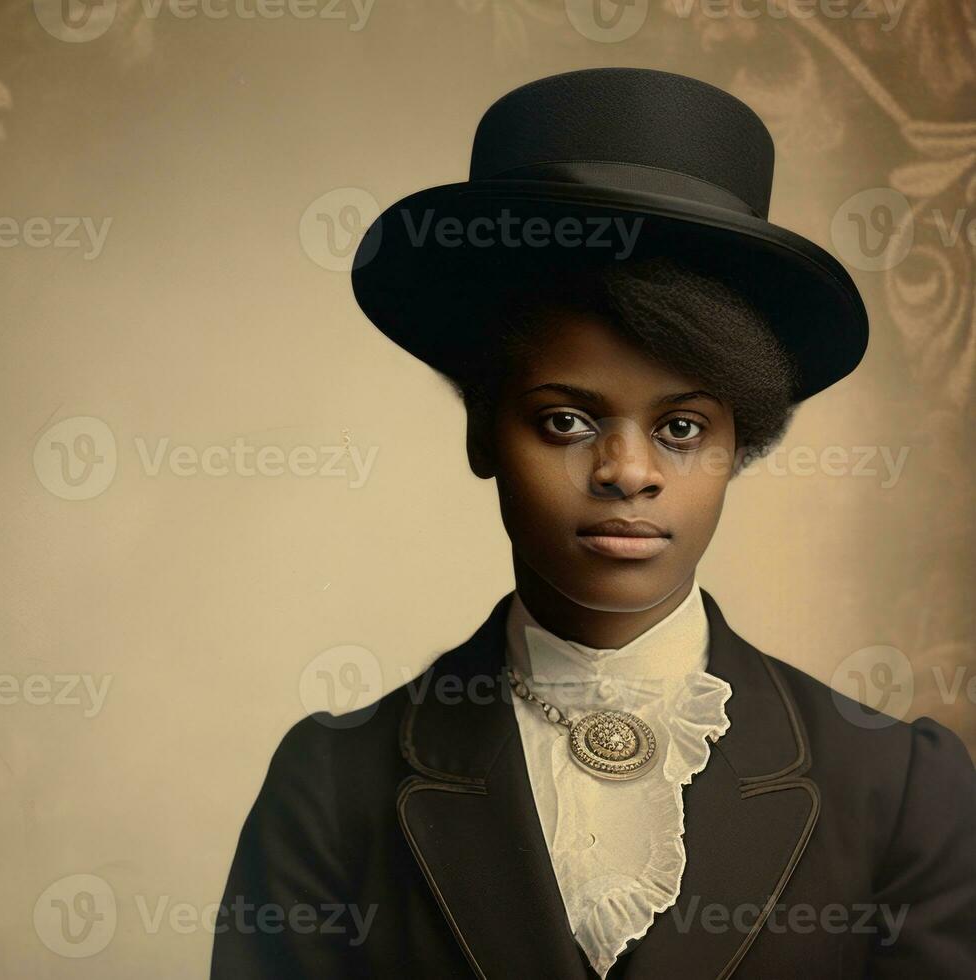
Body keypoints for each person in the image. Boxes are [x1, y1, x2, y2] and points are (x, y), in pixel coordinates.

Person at [211, 68, 976, 979]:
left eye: (681, 428)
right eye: (565, 421)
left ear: (740, 445)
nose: (625, 473)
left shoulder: (895, 788)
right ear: (481, 432)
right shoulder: (333, 785)